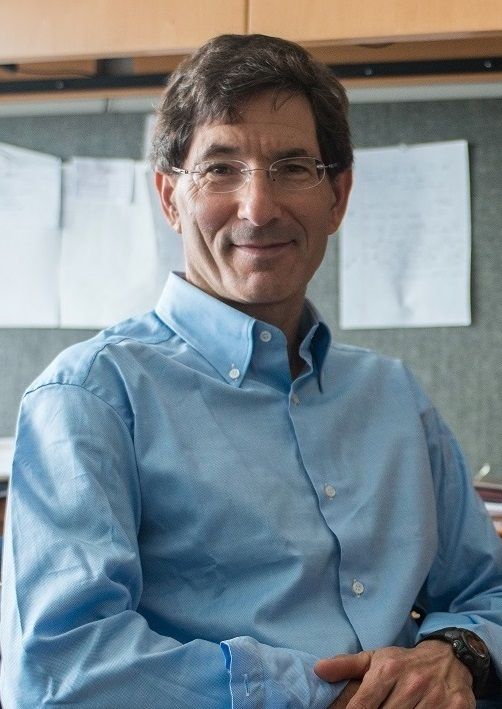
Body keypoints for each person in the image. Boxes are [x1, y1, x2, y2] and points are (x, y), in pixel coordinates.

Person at [1, 33, 501, 709]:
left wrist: (456, 654)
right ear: (170, 197)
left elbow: (487, 593)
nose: (258, 208)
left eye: (293, 167)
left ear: (338, 195)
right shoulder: (90, 397)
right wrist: (325, 694)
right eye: (220, 168)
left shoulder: (393, 396)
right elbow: (60, 671)